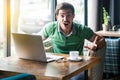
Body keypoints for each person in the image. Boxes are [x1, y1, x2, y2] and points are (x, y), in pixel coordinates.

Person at [40, 2, 106, 80]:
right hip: (57, 65)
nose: (65, 19)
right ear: (57, 17)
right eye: (62, 16)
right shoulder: (50, 28)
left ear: (73, 16)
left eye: (68, 15)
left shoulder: (82, 29)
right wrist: (42, 49)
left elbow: (102, 39)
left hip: (77, 66)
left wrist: (96, 45)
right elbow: (36, 40)